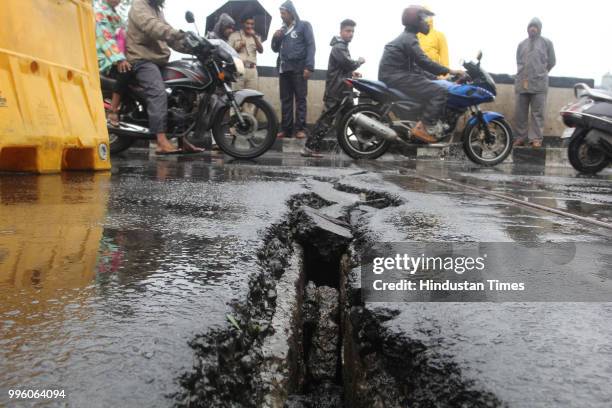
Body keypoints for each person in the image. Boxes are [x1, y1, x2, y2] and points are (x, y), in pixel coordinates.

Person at [126, 0, 203, 155]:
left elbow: (169, 37)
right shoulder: (139, 5)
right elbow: (154, 27)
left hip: (158, 60)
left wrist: (194, 46)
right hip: (142, 59)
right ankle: (161, 141)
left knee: (180, 93)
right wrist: (180, 33)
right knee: (158, 92)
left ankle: (182, 139)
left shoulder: (157, 9)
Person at [378, 6, 465, 143]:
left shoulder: (408, 38)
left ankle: (421, 124)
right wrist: (451, 71)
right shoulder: (409, 39)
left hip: (395, 76)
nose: (427, 22)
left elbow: (416, 68)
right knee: (440, 92)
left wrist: (436, 77)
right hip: (396, 77)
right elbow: (425, 62)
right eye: (424, 19)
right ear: (415, 21)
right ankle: (426, 127)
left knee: (434, 85)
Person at [302, 18, 364, 157]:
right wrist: (359, 61)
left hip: (343, 90)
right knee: (326, 120)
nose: (351, 34)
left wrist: (351, 73)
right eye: (348, 31)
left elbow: (341, 68)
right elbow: (348, 63)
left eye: (353, 31)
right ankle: (309, 147)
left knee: (353, 118)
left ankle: (362, 148)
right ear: (341, 31)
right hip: (336, 91)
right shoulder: (339, 47)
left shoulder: (342, 46)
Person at [271, 0, 316, 139]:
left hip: (299, 68)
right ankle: (286, 129)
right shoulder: (282, 30)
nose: (281, 16)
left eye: (283, 13)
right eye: (280, 13)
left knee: (300, 99)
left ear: (291, 12)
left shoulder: (304, 26)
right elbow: (274, 49)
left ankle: (300, 129)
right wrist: (275, 38)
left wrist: (309, 66)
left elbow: (311, 46)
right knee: (285, 100)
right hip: (284, 69)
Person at [513, 18, 556, 148]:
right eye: (530, 26)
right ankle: (520, 138)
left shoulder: (547, 43)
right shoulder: (521, 44)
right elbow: (518, 62)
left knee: (538, 114)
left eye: (535, 26)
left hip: (539, 84)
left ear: (539, 29)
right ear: (527, 28)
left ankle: (536, 139)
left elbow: (552, 62)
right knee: (520, 113)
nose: (532, 28)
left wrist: (542, 73)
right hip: (522, 83)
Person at [95, 0, 131, 127]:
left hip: (116, 54)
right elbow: (105, 38)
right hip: (106, 57)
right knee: (125, 71)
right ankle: (113, 110)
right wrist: (119, 59)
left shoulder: (115, 14)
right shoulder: (100, 12)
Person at [228, 16, 264, 90]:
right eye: (247, 23)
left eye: (252, 24)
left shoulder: (257, 37)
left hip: (252, 70)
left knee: (252, 97)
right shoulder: (234, 35)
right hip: (238, 69)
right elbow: (228, 52)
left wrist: (254, 37)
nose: (249, 26)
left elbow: (261, 51)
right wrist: (238, 47)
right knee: (237, 96)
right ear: (243, 24)